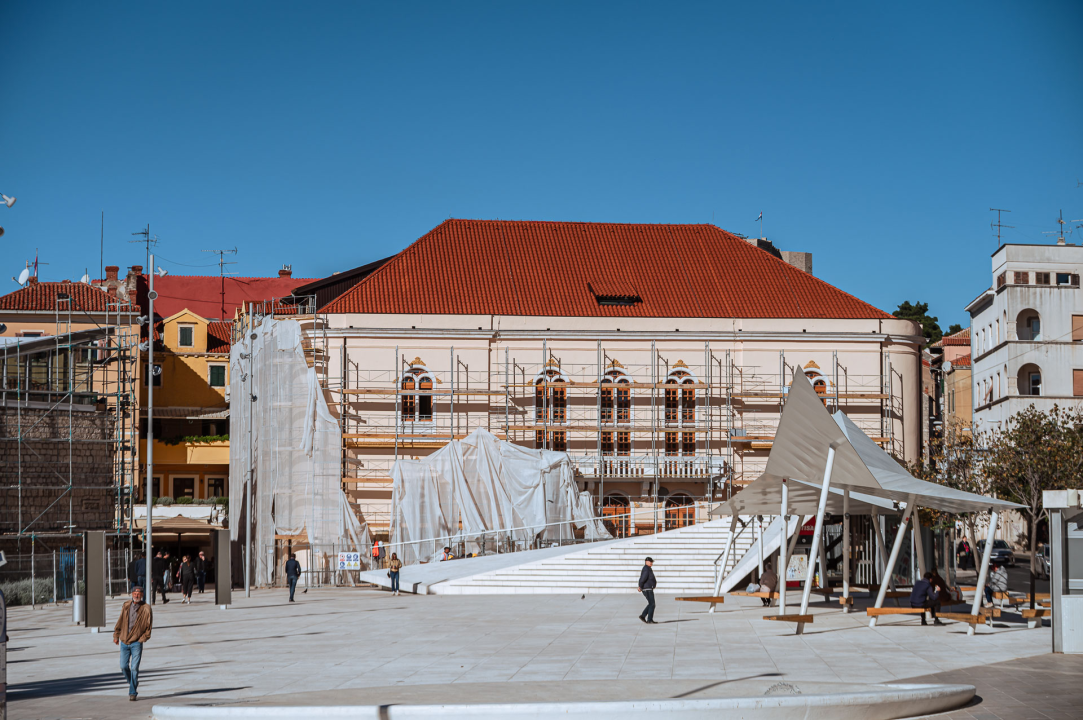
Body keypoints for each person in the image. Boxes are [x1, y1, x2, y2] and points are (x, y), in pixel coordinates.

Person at [113, 585, 153, 701]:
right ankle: (133, 682)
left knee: (134, 668)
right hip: (124, 641)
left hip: (136, 643)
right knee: (123, 666)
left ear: (142, 595)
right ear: (131, 594)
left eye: (139, 593)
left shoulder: (146, 608)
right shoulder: (126, 605)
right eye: (135, 593)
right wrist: (116, 635)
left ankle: (132, 692)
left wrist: (142, 639)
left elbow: (148, 628)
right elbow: (120, 621)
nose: (136, 595)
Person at [638, 556, 657, 624]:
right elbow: (642, 578)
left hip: (648, 588)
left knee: (651, 604)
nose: (652, 563)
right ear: (647, 562)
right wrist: (640, 586)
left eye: (652, 562)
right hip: (647, 589)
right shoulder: (646, 569)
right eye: (650, 562)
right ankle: (649, 619)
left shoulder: (648, 568)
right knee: (652, 604)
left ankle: (643, 616)